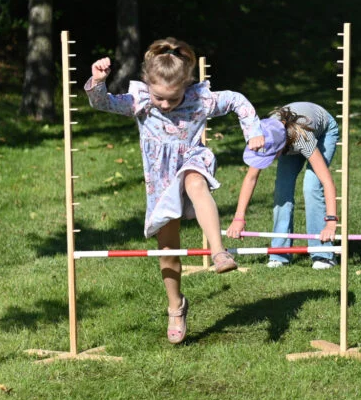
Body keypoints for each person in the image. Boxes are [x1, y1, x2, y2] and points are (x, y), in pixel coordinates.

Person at [85, 38, 265, 344]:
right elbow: (101, 103)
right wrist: (98, 81)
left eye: (173, 98)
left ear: (187, 86)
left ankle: (219, 252)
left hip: (192, 160)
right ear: (147, 84)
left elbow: (236, 100)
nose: (166, 105)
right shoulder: (140, 102)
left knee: (195, 181)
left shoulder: (200, 100)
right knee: (168, 252)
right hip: (160, 182)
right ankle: (176, 306)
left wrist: (254, 132)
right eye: (160, 98)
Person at [225, 103, 340, 269]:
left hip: (321, 132)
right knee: (282, 189)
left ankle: (322, 254)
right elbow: (251, 178)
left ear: (279, 149)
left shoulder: (303, 138)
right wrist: (238, 218)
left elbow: (327, 182)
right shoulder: (262, 137)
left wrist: (330, 222)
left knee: (312, 186)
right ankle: (279, 253)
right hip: (287, 140)